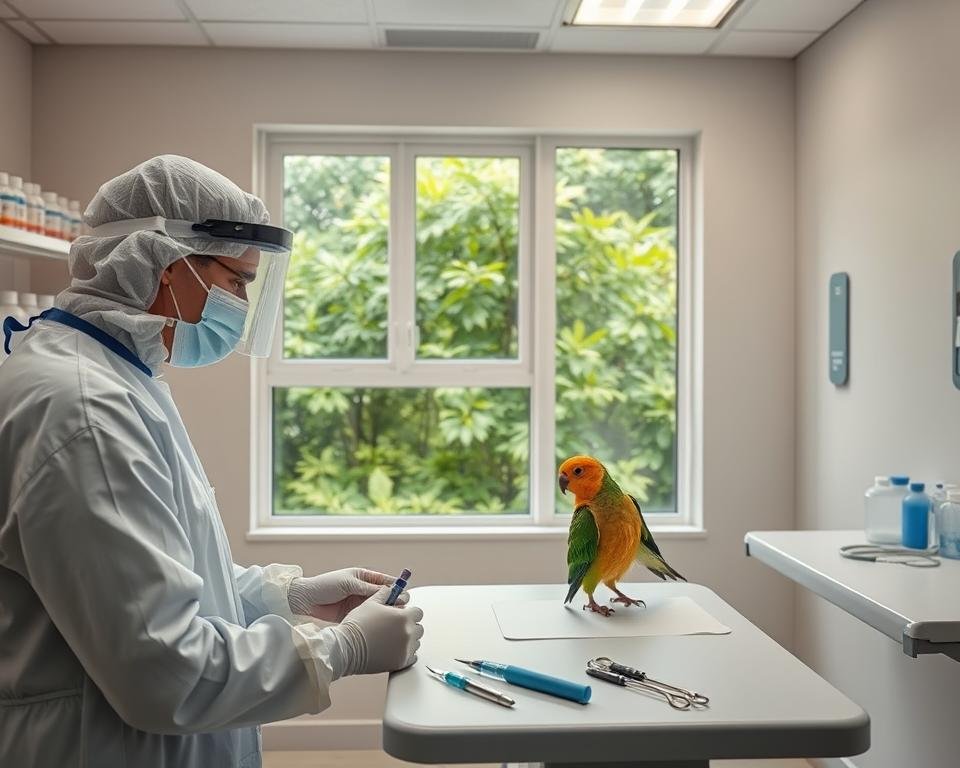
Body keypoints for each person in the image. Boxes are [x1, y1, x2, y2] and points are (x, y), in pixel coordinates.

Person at [0, 155, 423, 768]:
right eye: (236, 281)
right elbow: (165, 671)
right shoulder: (84, 410)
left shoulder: (117, 377)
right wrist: (341, 649)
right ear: (167, 265)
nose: (242, 305)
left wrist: (293, 599)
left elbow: (163, 582)